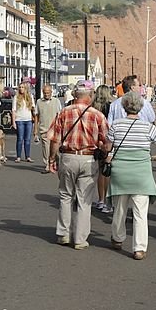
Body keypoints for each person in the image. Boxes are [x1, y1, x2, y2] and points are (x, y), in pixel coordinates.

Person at [106, 91, 156, 260]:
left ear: (124, 106)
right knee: (140, 212)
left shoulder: (117, 125)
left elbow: (108, 146)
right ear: (140, 108)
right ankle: (139, 248)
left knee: (119, 208)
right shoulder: (146, 126)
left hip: (121, 171)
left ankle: (118, 239)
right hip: (141, 173)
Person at [47, 86, 109, 250]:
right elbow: (106, 142)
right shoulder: (97, 115)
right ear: (89, 96)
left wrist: (52, 159)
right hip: (88, 158)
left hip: (68, 156)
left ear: (75, 96)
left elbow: (54, 139)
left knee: (66, 195)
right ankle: (80, 239)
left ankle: (63, 234)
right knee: (84, 200)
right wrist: (103, 150)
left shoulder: (64, 112)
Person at [92, 85, 116, 214]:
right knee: (109, 171)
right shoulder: (111, 106)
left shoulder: (93, 107)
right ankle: (108, 200)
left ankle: (101, 200)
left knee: (101, 170)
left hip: (96, 140)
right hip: (108, 139)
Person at [35, 85, 62, 174]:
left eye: (48, 93)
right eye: (45, 93)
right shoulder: (39, 102)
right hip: (44, 129)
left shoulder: (56, 101)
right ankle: (47, 165)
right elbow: (36, 116)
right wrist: (35, 130)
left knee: (56, 149)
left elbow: (60, 115)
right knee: (46, 148)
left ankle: (56, 163)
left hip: (55, 128)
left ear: (51, 92)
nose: (46, 94)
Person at [13, 82, 35, 163]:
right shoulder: (16, 97)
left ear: (26, 89)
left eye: (22, 87)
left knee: (28, 139)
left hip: (28, 120)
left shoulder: (30, 97)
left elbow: (33, 108)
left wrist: (35, 119)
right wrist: (13, 122)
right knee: (20, 139)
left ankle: (27, 156)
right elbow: (13, 110)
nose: (21, 89)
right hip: (19, 120)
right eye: (20, 87)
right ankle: (18, 156)